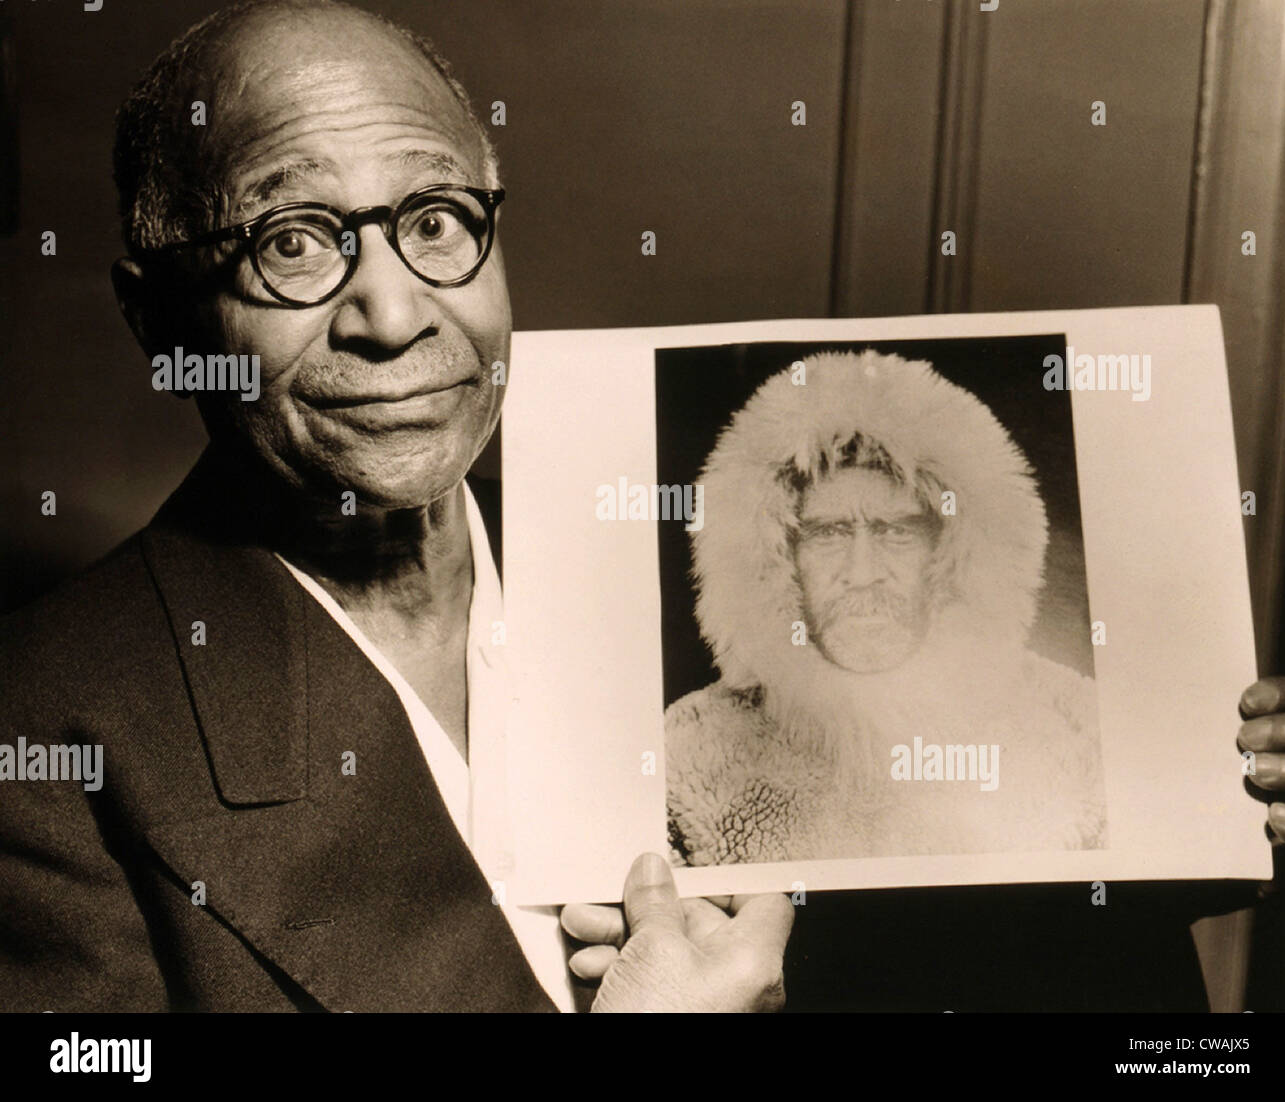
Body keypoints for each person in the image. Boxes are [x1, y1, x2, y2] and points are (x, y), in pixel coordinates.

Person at [0, 0, 792, 1013]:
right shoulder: (41, 734)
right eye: (291, 242)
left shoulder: (694, 596)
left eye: (433, 220)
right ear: (158, 317)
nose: (395, 314)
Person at [666, 351, 1106, 864]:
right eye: (827, 534)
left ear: (952, 548)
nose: (861, 571)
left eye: (896, 532)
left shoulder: (1078, 730)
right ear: (777, 557)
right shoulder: (689, 755)